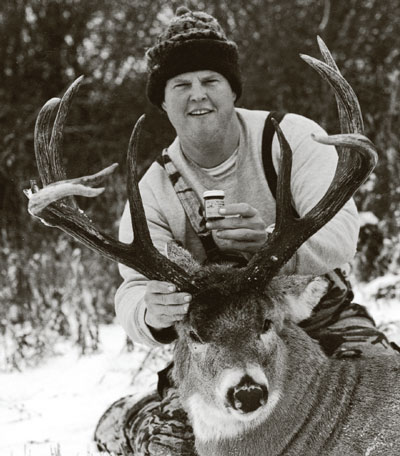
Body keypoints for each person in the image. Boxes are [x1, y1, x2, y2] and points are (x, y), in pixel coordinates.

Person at [95, 7, 396, 455]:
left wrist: (274, 244)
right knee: (170, 441)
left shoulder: (291, 137)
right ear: (163, 100)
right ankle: (130, 414)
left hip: (309, 309)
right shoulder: (154, 189)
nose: (198, 94)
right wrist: (150, 311)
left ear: (232, 88)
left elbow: (342, 234)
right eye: (181, 84)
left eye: (211, 80)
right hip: (213, 339)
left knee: (385, 408)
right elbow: (132, 288)